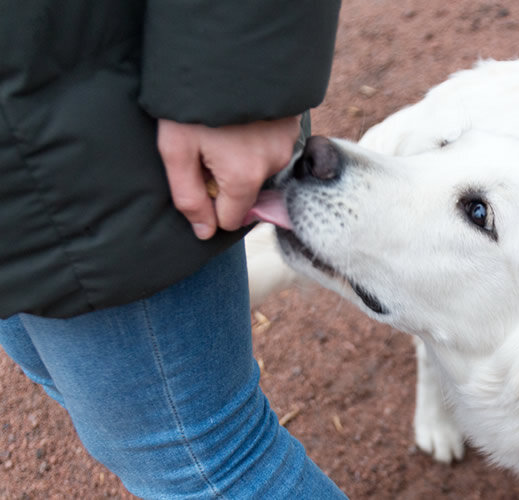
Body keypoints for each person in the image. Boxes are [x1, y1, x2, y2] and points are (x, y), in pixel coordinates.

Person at [0, 1, 345, 498]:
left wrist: (236, 78)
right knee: (121, 429)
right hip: (31, 166)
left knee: (201, 462)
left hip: (95, 122)